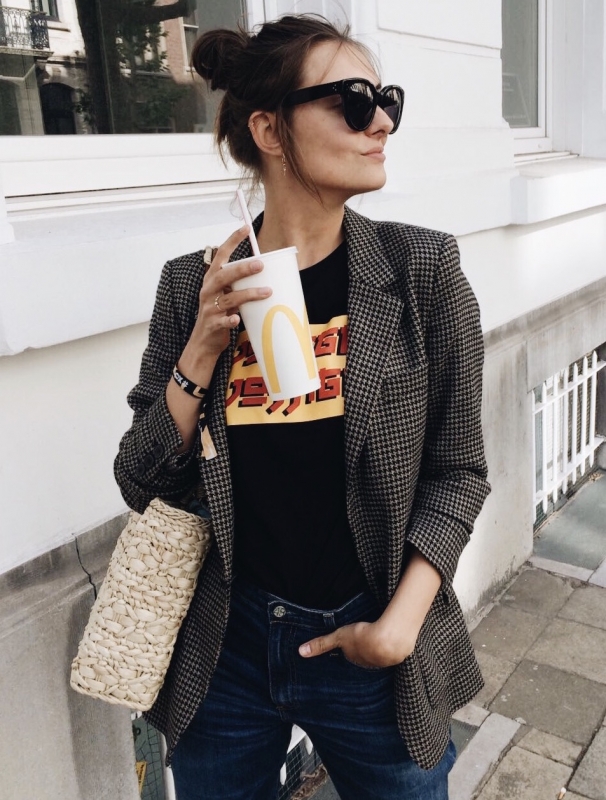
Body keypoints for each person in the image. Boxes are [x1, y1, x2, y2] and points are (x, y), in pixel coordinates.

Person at [114, 14, 490, 800]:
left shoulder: (421, 270)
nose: (381, 122)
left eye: (387, 100)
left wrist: (397, 629)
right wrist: (199, 352)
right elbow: (141, 480)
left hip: (369, 637)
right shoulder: (193, 285)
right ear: (269, 130)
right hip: (226, 643)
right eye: (354, 102)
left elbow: (458, 471)